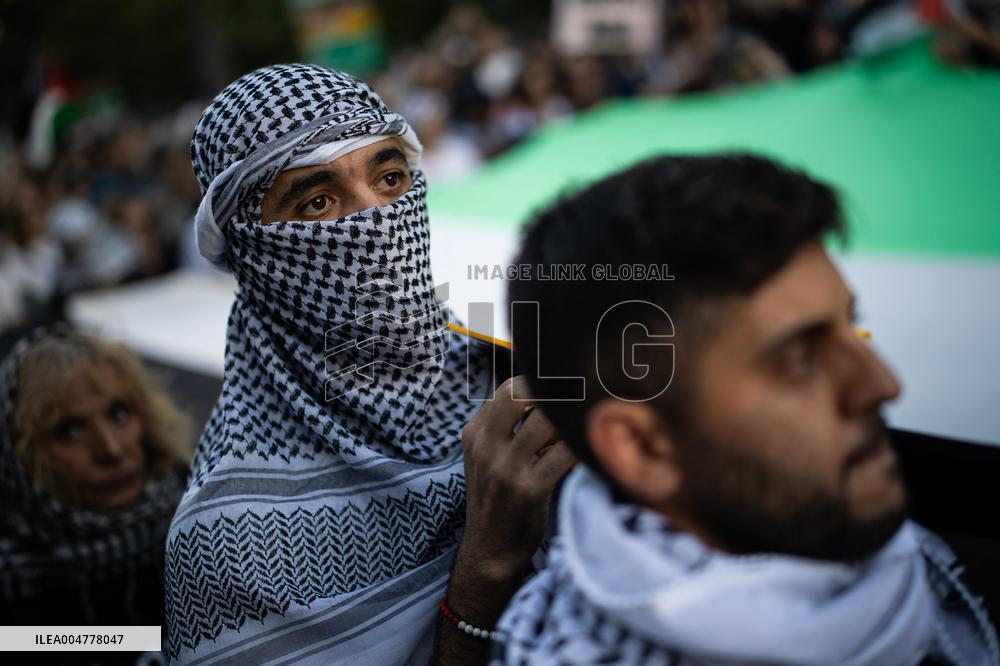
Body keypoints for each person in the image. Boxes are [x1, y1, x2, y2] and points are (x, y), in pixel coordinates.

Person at [496, 154, 1000, 665]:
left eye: (854, 328)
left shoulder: (870, 547)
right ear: (643, 447)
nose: (883, 384)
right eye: (800, 358)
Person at [165, 65, 574, 664]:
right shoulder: (227, 538)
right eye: (318, 201)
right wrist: (485, 570)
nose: (377, 221)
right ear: (251, 249)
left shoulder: (509, 367)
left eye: (389, 176)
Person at [0, 328, 190, 629]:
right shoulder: (14, 576)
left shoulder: (197, 520)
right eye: (69, 431)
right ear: (20, 458)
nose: (111, 450)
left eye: (118, 413)